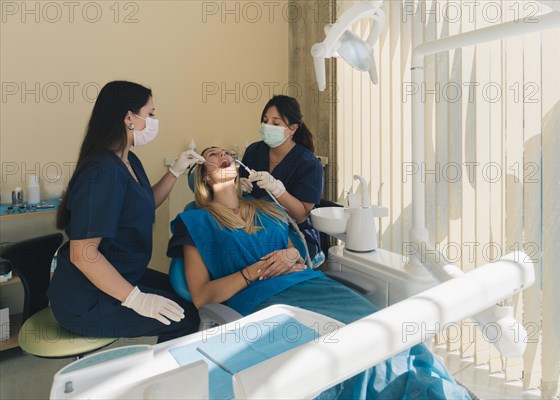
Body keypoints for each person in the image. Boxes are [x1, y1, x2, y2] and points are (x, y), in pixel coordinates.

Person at [167, 146, 471, 399]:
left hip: (312, 285)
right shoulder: (196, 222)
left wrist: (293, 253)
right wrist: (254, 271)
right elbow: (202, 296)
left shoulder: (266, 208)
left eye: (226, 152)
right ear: (203, 176)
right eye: (212, 154)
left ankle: (440, 389)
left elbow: (296, 253)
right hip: (266, 305)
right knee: (352, 359)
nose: (223, 154)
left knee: (390, 336)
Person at [49, 81, 201, 343]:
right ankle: (166, 379)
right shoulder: (101, 173)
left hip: (122, 271)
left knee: (191, 298)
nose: (154, 121)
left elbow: (143, 204)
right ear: (129, 118)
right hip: (86, 298)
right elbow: (83, 255)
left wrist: (175, 171)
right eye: (150, 113)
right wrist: (136, 299)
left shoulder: (128, 160)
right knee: (186, 318)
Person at [240, 95, 324, 263]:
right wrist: (238, 186)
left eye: (275, 124)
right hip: (255, 226)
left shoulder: (309, 164)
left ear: (292, 129)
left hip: (293, 232)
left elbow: (300, 216)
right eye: (265, 121)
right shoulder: (253, 151)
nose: (267, 126)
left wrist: (277, 189)